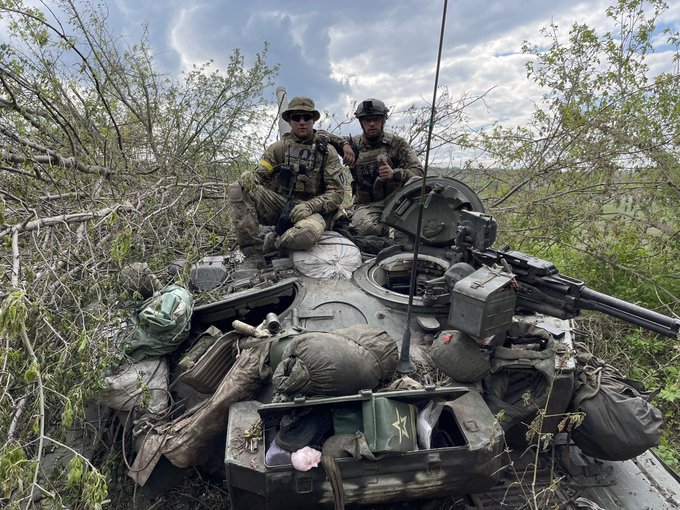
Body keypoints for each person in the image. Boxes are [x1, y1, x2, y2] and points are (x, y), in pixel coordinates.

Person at [228, 96, 346, 258]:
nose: (302, 122)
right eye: (296, 117)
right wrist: (250, 176)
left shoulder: (327, 152)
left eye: (307, 117)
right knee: (238, 188)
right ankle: (253, 253)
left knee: (306, 235)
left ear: (314, 120)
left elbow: (337, 193)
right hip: (282, 206)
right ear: (289, 121)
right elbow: (261, 174)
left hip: (313, 213)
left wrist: (310, 206)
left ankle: (275, 242)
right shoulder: (277, 149)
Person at [324, 98, 423, 238]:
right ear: (361, 123)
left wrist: (395, 174)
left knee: (416, 183)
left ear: (383, 121)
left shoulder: (396, 143)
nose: (371, 124)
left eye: (376, 119)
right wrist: (344, 144)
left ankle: (404, 237)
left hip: (397, 199)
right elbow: (320, 135)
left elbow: (418, 172)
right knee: (367, 231)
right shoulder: (354, 144)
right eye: (367, 120)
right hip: (367, 204)